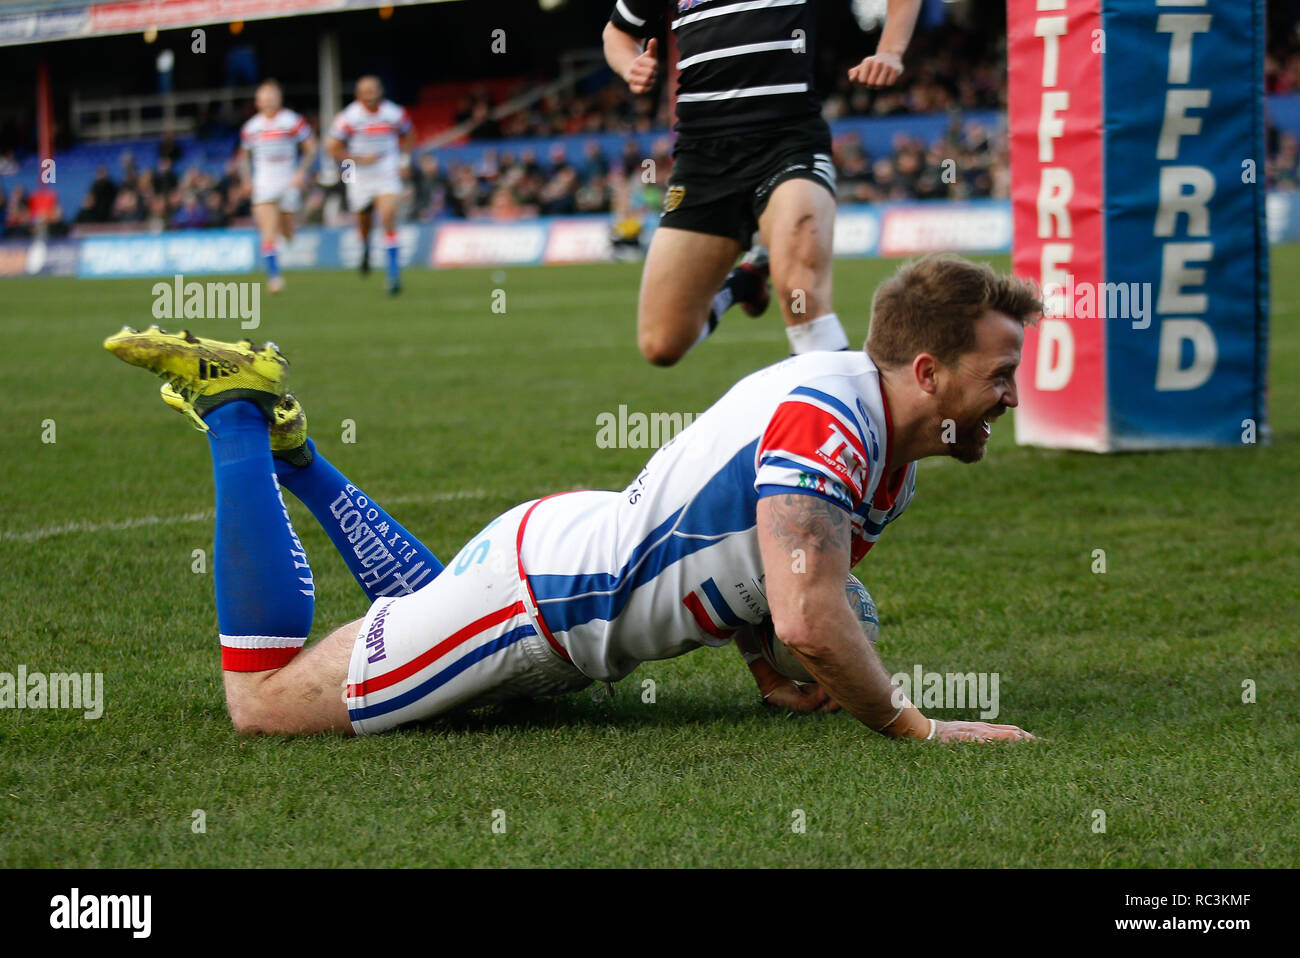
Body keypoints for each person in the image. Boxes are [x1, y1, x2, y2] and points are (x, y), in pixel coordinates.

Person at [102, 254, 1039, 744]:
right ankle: (236, 411)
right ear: (927, 370)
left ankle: (298, 454)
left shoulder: (884, 453)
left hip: (551, 561)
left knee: (425, 616)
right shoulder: (833, 423)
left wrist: (763, 667)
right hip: (538, 605)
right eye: (1000, 374)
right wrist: (915, 727)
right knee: (262, 705)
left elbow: (770, 568)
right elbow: (809, 611)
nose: (1011, 395)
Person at [603, 0, 922, 365]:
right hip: (701, 160)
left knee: (802, 297)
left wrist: (891, 51)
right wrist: (631, 65)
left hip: (788, 144)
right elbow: (617, 31)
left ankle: (832, 414)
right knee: (662, 344)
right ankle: (746, 281)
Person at [327, 76, 414, 295]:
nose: (370, 94)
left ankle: (393, 276)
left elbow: (410, 134)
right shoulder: (349, 117)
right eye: (365, 90)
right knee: (364, 220)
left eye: (373, 89)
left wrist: (404, 160)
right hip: (360, 175)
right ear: (358, 94)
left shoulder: (393, 113)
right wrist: (356, 160)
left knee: (388, 217)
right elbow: (333, 147)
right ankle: (366, 248)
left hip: (386, 171)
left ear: (380, 91)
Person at [238, 80, 317, 293]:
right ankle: (274, 277)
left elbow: (311, 148)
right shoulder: (251, 127)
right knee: (268, 229)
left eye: (271, 98)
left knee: (287, 229)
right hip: (264, 181)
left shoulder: (292, 121)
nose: (268, 103)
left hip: (288, 180)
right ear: (257, 102)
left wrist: (301, 171)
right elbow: (244, 156)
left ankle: (288, 235)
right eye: (264, 99)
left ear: (279, 99)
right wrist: (247, 180)